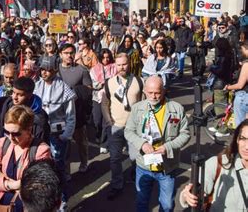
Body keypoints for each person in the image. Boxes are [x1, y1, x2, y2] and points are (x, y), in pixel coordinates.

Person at [124, 76, 190, 212]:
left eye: (157, 92)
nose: (154, 96)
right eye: (150, 92)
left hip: (167, 167)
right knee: (142, 202)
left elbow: (185, 134)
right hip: (143, 166)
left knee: (167, 205)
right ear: (144, 91)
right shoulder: (137, 109)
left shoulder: (176, 109)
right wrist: (142, 144)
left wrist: (168, 147)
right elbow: (128, 131)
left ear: (164, 91)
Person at [0, 105, 51, 212]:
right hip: (2, 205)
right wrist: (16, 184)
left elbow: (37, 188)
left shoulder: (41, 150)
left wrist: (2, 178)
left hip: (25, 207)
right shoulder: (2, 143)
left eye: (16, 133)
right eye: (7, 132)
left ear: (29, 129)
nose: (11, 138)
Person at [34, 56, 76, 209]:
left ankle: (62, 200)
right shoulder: (36, 86)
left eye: (48, 70)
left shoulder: (64, 89)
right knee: (42, 167)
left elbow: (71, 116)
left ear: (55, 70)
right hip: (40, 133)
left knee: (58, 168)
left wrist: (66, 136)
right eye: (42, 70)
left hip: (58, 135)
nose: (44, 73)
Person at [180, 119, 248, 211]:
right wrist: (187, 195)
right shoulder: (218, 164)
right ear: (237, 140)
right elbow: (193, 190)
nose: (246, 147)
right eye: (243, 139)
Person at [101, 53, 143, 200]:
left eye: (124, 64)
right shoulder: (109, 82)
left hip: (134, 128)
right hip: (115, 127)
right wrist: (109, 121)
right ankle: (117, 185)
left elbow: (144, 103)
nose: (121, 67)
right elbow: (104, 103)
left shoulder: (138, 81)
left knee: (134, 157)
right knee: (114, 159)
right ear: (115, 65)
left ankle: (136, 178)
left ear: (129, 63)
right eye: (119, 65)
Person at [58, 43, 92, 173]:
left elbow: (89, 89)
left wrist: (74, 92)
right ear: (61, 54)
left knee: (80, 140)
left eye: (72, 53)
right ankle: (65, 170)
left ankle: (84, 162)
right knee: (64, 142)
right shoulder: (56, 70)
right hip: (60, 112)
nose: (69, 55)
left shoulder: (82, 70)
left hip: (77, 111)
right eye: (66, 53)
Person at [0, 77, 50, 145]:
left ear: (29, 95)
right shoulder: (8, 105)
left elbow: (40, 145)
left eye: (20, 95)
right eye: (13, 92)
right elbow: (0, 130)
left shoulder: (39, 119)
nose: (14, 97)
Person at [90, 49, 117, 153]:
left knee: (106, 120)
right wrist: (102, 83)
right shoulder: (94, 69)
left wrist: (109, 84)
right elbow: (93, 84)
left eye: (108, 57)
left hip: (109, 97)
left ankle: (104, 143)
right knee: (97, 120)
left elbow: (116, 81)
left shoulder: (114, 68)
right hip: (97, 97)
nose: (106, 60)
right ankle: (98, 134)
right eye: (104, 57)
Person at [225, 40, 248, 125]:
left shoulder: (246, 65)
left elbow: (240, 85)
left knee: (241, 126)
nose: (242, 52)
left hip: (244, 97)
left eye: (243, 49)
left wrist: (228, 87)